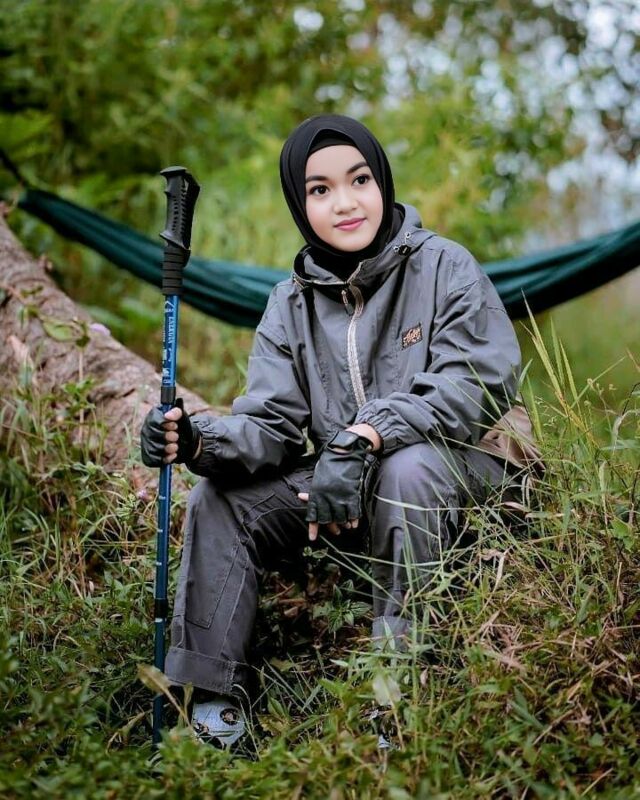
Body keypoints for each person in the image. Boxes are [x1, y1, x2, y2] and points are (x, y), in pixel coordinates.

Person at [140, 114, 539, 748]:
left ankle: (396, 698)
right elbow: (271, 423)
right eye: (320, 189)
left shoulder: (443, 266)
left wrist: (365, 436)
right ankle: (213, 705)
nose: (346, 202)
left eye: (359, 180)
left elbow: (476, 384)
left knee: (407, 469)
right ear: (299, 205)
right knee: (217, 499)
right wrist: (197, 441)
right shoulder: (289, 303)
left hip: (470, 468)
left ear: (382, 181)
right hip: (353, 486)